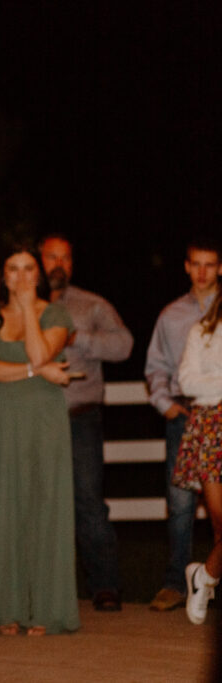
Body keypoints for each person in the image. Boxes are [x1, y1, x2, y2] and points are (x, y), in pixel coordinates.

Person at [0, 243, 79, 636]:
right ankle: (6, 606)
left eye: (29, 268)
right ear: (3, 274)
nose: (21, 276)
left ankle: (44, 608)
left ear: (39, 273)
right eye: (13, 269)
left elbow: (39, 350)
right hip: (1, 417)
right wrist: (40, 372)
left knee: (43, 503)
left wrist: (30, 308)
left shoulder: (57, 314)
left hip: (43, 418)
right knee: (4, 504)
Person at [39, 233, 133, 611]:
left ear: (72, 264)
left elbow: (124, 345)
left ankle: (105, 585)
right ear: (39, 260)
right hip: (36, 419)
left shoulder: (92, 305)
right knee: (38, 502)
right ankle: (41, 589)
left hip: (80, 418)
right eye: (51, 257)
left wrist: (79, 339)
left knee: (89, 502)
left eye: (65, 257)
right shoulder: (23, 306)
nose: (58, 264)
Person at [145, 238, 221, 611]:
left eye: (211, 264)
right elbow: (156, 367)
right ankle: (176, 581)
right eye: (197, 264)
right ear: (187, 267)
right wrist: (167, 405)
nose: (203, 271)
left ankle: (208, 577)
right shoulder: (172, 316)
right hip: (188, 415)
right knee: (180, 503)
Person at [174, 290, 222, 625]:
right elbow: (187, 382)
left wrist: (213, 383)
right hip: (210, 429)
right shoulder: (201, 331)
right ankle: (203, 578)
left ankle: (204, 576)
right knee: (220, 526)